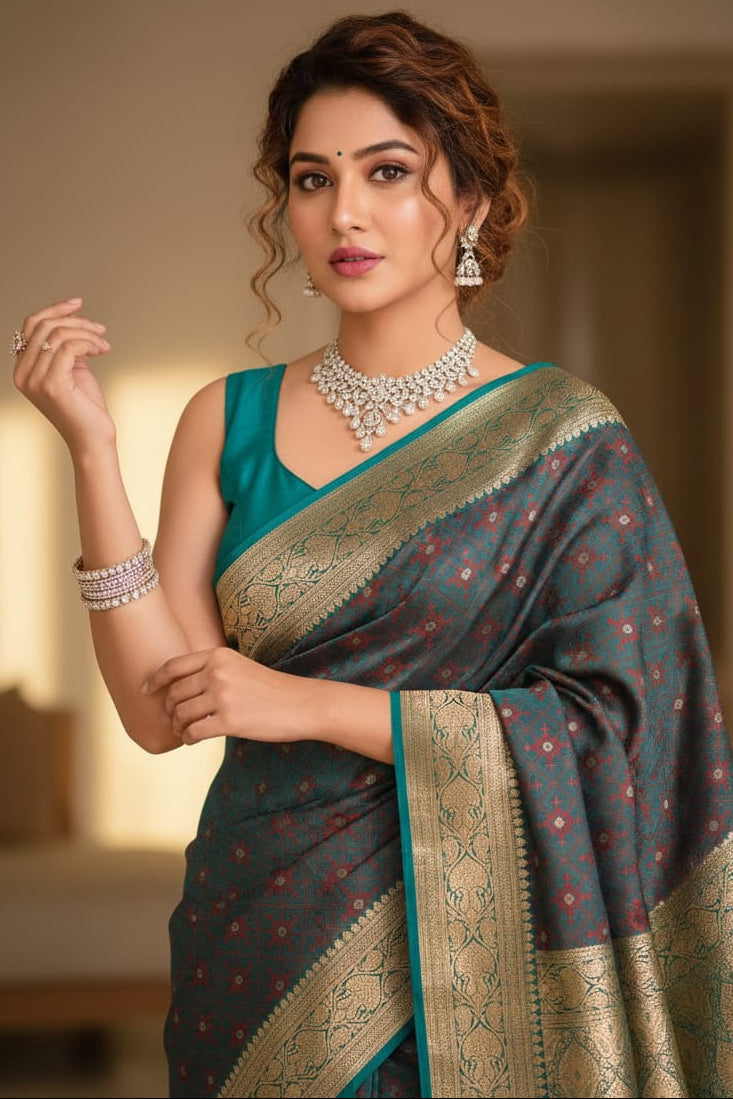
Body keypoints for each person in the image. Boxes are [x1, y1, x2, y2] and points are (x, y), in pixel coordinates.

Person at [11, 10, 733, 1098]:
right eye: (312, 179)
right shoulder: (228, 417)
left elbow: (618, 726)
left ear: (472, 203)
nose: (343, 212)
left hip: (478, 953)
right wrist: (91, 450)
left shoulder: (562, 440)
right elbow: (162, 712)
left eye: (387, 171)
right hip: (259, 935)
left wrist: (302, 704)